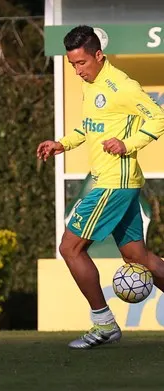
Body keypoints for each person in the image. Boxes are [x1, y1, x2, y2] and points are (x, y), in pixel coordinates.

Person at [37, 25, 164, 349]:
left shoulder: (122, 85)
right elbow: (88, 126)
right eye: (72, 65)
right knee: (138, 257)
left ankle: (104, 323)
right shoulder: (91, 86)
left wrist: (128, 143)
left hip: (114, 183)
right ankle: (105, 324)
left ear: (98, 55)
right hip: (114, 181)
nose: (78, 71)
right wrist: (61, 143)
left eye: (82, 63)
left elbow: (158, 118)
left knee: (70, 247)